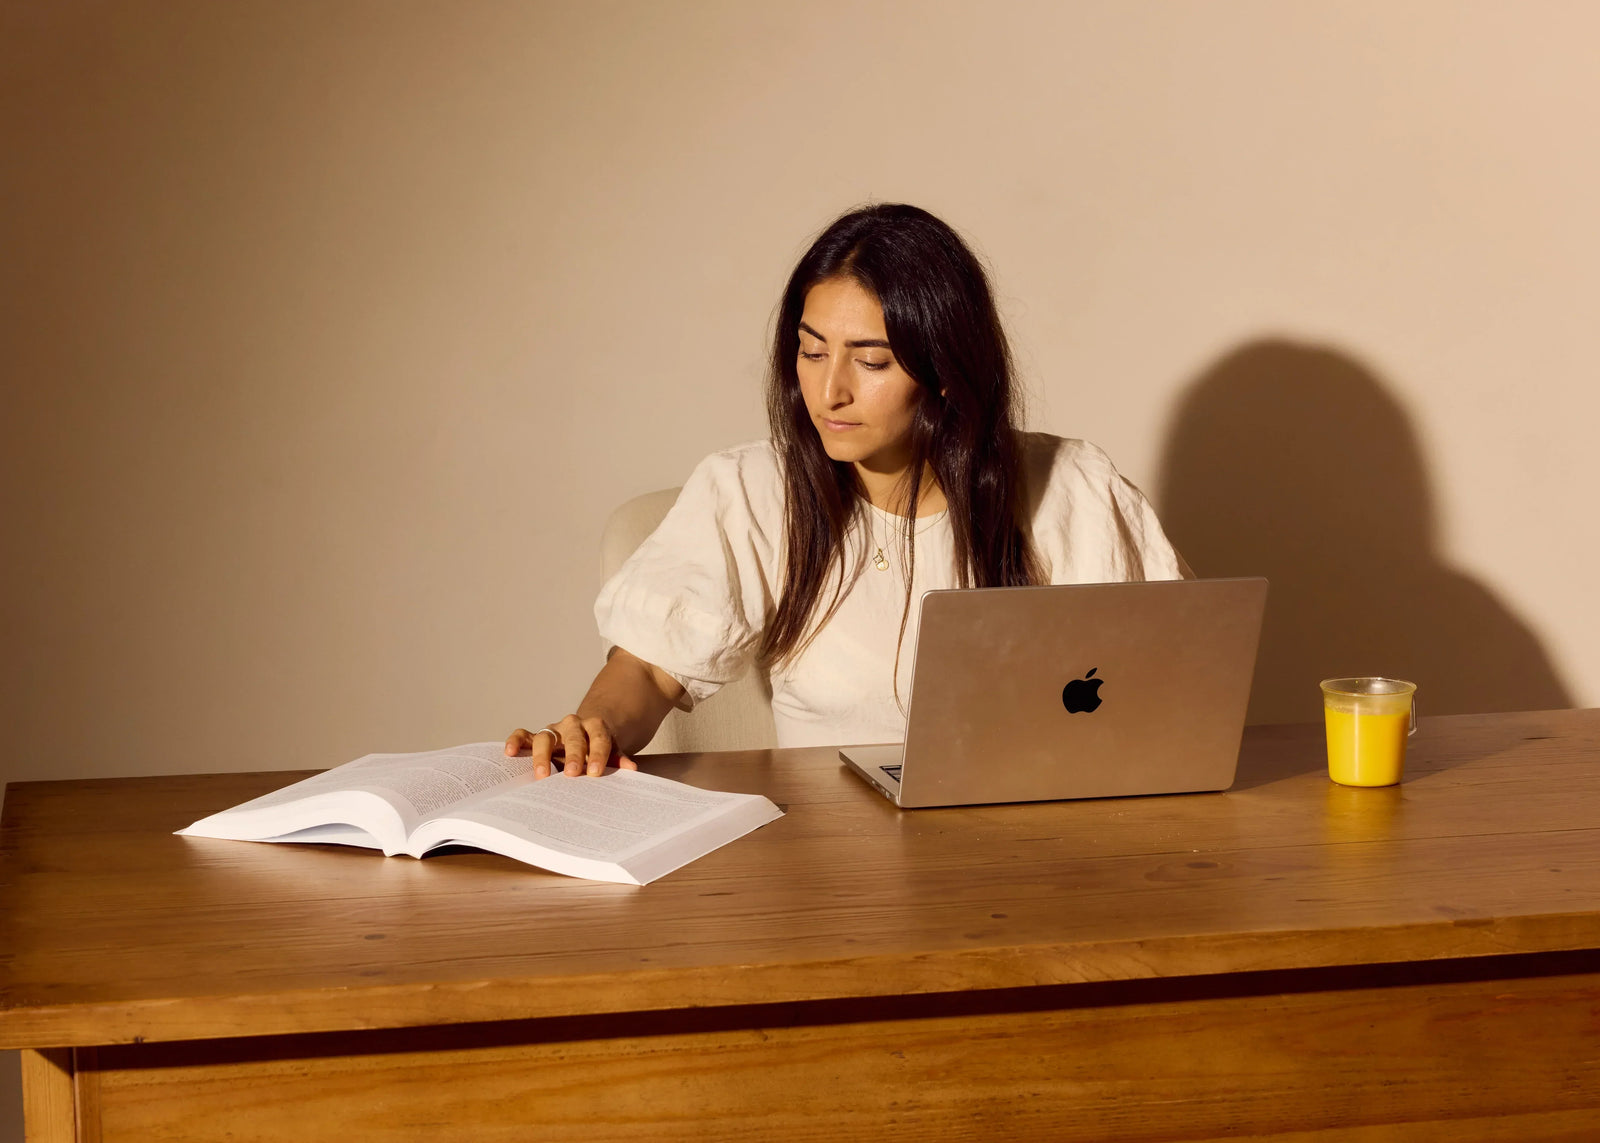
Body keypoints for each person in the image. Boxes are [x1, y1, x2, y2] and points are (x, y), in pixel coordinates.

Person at [506, 203, 1188, 777]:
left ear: (946, 370)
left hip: (1047, 847)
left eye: (870, 360)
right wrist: (591, 730)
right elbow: (649, 669)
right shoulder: (752, 491)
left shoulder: (1072, 487)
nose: (830, 391)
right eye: (810, 351)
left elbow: (1172, 678)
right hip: (835, 858)